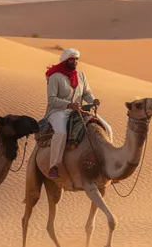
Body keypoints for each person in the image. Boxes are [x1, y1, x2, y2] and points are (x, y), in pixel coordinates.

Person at [43, 48, 110, 178]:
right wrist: (68, 104)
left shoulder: (81, 75)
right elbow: (51, 99)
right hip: (59, 111)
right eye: (72, 59)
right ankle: (54, 166)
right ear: (65, 61)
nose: (75, 62)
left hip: (78, 110)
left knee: (106, 127)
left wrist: (93, 100)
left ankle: (107, 162)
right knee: (61, 133)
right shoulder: (55, 77)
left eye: (76, 59)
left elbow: (86, 93)